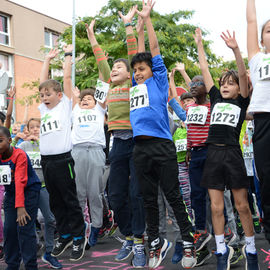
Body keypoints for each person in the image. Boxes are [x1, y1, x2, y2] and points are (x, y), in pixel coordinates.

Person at [130, 1, 196, 269]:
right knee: (149, 201)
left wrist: (147, 21)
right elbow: (137, 52)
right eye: (135, 71)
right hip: (140, 150)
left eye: (141, 69)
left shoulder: (157, 81)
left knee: (173, 196)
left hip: (162, 147)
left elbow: (151, 51)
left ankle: (189, 243)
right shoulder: (136, 86)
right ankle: (155, 244)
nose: (137, 73)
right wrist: (137, 32)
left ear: (152, 71)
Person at [194, 27, 259, 269]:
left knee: (242, 205)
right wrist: (200, 44)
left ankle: (251, 251)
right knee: (216, 207)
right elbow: (204, 70)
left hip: (232, 154)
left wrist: (235, 50)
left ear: (239, 89)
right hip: (213, 154)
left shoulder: (241, 102)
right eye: (223, 83)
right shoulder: (216, 99)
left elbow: (242, 74)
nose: (225, 86)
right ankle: (221, 251)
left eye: (230, 84)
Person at [86, 9, 146, 268]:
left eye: (121, 66)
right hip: (117, 144)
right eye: (115, 67)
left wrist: (129, 25)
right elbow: (101, 60)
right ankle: (130, 236)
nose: (116, 69)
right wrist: (91, 36)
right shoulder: (110, 87)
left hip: (136, 142)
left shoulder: (133, 84)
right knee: (116, 194)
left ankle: (140, 241)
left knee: (136, 194)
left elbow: (133, 52)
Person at [38, 45, 86, 261]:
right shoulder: (43, 110)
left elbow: (66, 79)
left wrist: (67, 56)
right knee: (55, 201)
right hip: (47, 162)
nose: (44, 97)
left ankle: (78, 237)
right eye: (41, 95)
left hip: (63, 160)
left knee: (69, 200)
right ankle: (65, 235)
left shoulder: (65, 106)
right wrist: (47, 59)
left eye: (48, 94)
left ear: (58, 95)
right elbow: (42, 82)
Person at [19, 118, 62, 269]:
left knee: (50, 219)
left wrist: (42, 143)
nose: (36, 129)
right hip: (28, 189)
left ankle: (49, 253)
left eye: (38, 127)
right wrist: (17, 139)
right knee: (27, 221)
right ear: (28, 130)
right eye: (32, 127)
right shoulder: (23, 145)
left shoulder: (47, 145)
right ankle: (32, 248)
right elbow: (8, 154)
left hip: (44, 187)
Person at [246, 0, 270, 267]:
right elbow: (251, 22)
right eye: (269, 30)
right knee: (267, 185)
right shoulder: (257, 58)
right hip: (264, 123)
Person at [0, 126, 41, 270]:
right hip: (11, 193)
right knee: (9, 229)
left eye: (0, 141)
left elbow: (20, 181)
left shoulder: (20, 155)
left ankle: (31, 265)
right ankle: (12, 264)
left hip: (29, 191)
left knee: (24, 228)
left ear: (10, 140)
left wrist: (21, 207)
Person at [70, 85, 106, 247]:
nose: (85, 100)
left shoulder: (99, 110)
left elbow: (102, 87)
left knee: (95, 193)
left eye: (89, 98)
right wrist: (76, 96)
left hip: (95, 150)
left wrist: (100, 60)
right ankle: (80, 229)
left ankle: (96, 228)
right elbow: (71, 90)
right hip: (77, 151)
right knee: (79, 194)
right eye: (83, 99)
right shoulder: (75, 111)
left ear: (96, 101)